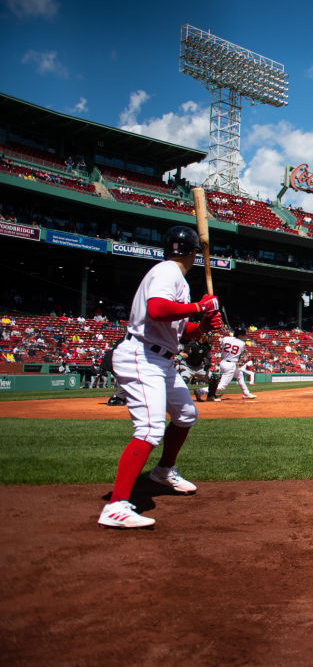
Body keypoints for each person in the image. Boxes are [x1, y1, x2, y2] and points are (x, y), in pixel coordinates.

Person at [98, 225, 221, 528]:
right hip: (143, 355)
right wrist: (197, 307)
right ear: (194, 252)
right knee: (150, 429)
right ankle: (115, 507)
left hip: (161, 358)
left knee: (186, 413)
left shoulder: (173, 276)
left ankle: (163, 471)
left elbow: (178, 331)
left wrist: (203, 325)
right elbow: (156, 310)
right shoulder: (168, 271)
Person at [212, 329, 256, 400]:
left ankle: (246, 393)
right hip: (230, 364)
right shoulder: (242, 343)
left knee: (240, 375)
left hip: (223, 362)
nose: (244, 337)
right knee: (221, 386)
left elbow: (222, 344)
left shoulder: (225, 338)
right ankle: (201, 391)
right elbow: (240, 351)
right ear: (239, 335)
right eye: (243, 336)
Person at [175, 333, 214, 402]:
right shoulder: (191, 344)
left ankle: (210, 396)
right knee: (184, 380)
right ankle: (179, 398)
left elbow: (208, 357)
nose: (208, 337)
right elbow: (183, 354)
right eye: (207, 335)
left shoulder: (207, 346)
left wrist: (208, 364)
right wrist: (181, 356)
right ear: (202, 336)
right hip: (187, 366)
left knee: (214, 378)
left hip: (199, 367)